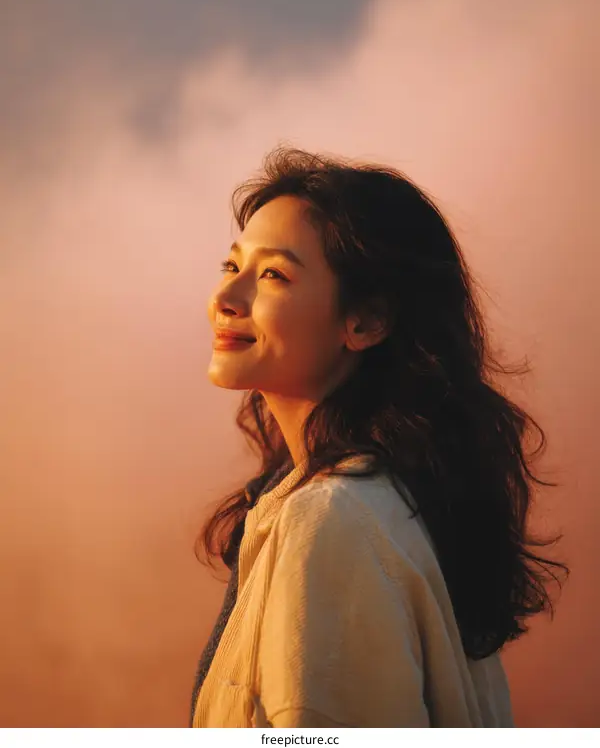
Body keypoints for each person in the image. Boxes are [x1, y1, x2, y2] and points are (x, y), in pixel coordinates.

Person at [190, 144, 568, 728]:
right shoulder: (387, 497)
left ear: (365, 322)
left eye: (272, 274)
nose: (226, 299)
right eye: (231, 266)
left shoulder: (333, 520)